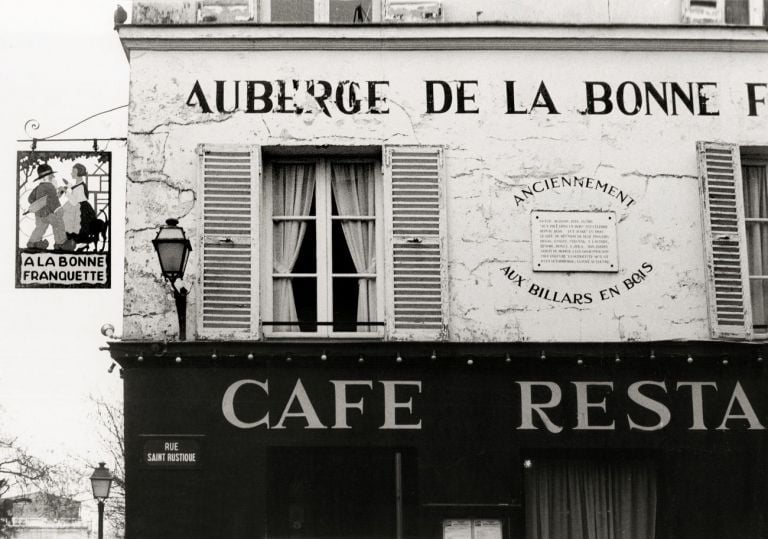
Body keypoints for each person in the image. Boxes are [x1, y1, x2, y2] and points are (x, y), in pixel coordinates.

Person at [26, 163, 66, 250]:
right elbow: (54, 200)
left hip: (39, 214)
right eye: (51, 175)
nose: (53, 177)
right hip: (49, 213)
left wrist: (39, 205)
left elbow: (30, 199)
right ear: (46, 177)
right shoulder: (50, 186)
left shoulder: (38, 187)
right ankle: (61, 243)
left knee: (40, 228)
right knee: (58, 224)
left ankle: (33, 242)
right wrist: (58, 210)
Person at [61, 163, 97, 251]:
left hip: (81, 209)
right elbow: (74, 188)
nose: (71, 173)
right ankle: (75, 243)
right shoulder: (79, 184)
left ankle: (82, 244)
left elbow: (74, 201)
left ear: (79, 173)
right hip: (78, 207)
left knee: (78, 226)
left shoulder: (80, 187)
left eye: (74, 171)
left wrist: (65, 191)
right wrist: (68, 186)